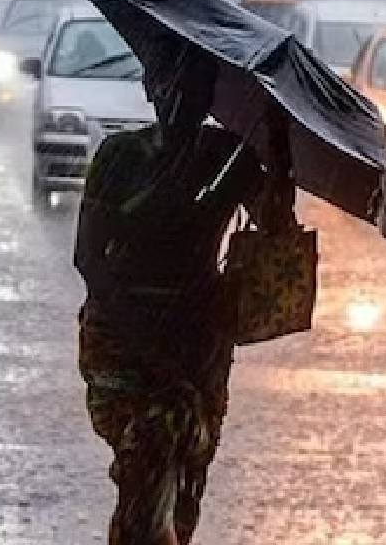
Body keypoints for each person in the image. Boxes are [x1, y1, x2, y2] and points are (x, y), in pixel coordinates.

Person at [74, 62, 295, 544]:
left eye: (194, 87)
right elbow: (88, 257)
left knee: (185, 485)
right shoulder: (120, 157)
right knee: (147, 466)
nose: (180, 99)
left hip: (198, 344)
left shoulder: (227, 159)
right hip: (122, 341)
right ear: (150, 89)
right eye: (171, 86)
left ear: (208, 97)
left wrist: (277, 155)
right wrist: (147, 341)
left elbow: (276, 230)